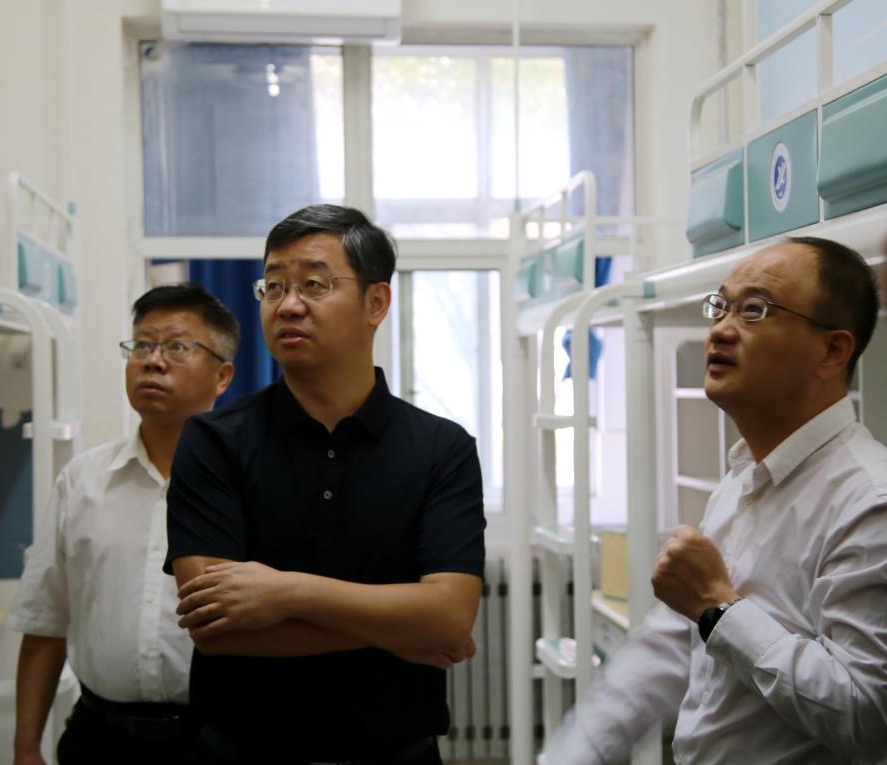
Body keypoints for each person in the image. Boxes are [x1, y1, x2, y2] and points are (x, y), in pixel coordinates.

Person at [545, 236, 887, 764]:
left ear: (832, 351)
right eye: (721, 306)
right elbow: (672, 645)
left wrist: (719, 608)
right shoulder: (742, 478)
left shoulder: (869, 501)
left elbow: (867, 718)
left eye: (755, 310)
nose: (721, 329)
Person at [165, 204, 486, 764]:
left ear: (376, 303)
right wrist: (402, 630)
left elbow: (451, 616)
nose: (288, 304)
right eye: (273, 286)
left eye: (314, 284)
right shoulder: (213, 440)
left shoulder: (442, 447)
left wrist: (286, 593)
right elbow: (216, 628)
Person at [8, 283, 238, 765]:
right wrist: (26, 746)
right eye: (141, 345)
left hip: (218, 741)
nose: (152, 361)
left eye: (177, 347)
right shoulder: (83, 481)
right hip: (100, 739)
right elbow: (47, 621)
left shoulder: (246, 485)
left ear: (222, 375)